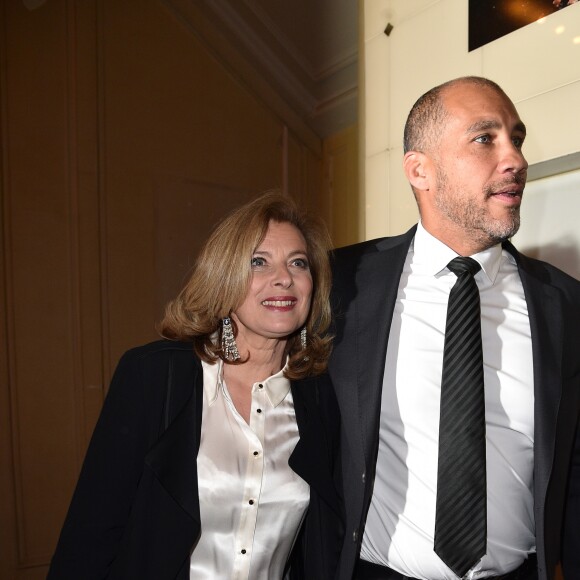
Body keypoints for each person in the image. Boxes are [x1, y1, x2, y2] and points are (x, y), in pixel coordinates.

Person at [329, 76, 580, 580]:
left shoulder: (565, 303)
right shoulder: (342, 284)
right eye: (485, 138)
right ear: (420, 170)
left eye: (517, 138)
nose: (516, 159)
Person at [47, 191, 343, 579]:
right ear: (224, 279)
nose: (283, 278)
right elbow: (90, 538)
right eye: (259, 262)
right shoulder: (155, 377)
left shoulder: (320, 398)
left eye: (298, 263)